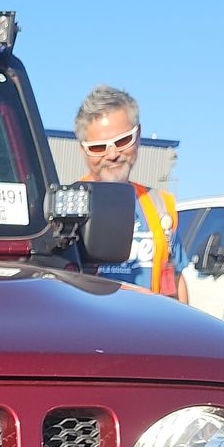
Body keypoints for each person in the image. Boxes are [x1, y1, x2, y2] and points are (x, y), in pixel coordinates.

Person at [74, 85, 188, 301]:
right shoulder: (65, 208)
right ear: (82, 149)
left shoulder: (161, 205)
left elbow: (176, 277)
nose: (113, 154)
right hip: (87, 329)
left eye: (123, 140)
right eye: (99, 147)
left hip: (147, 328)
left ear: (138, 135)